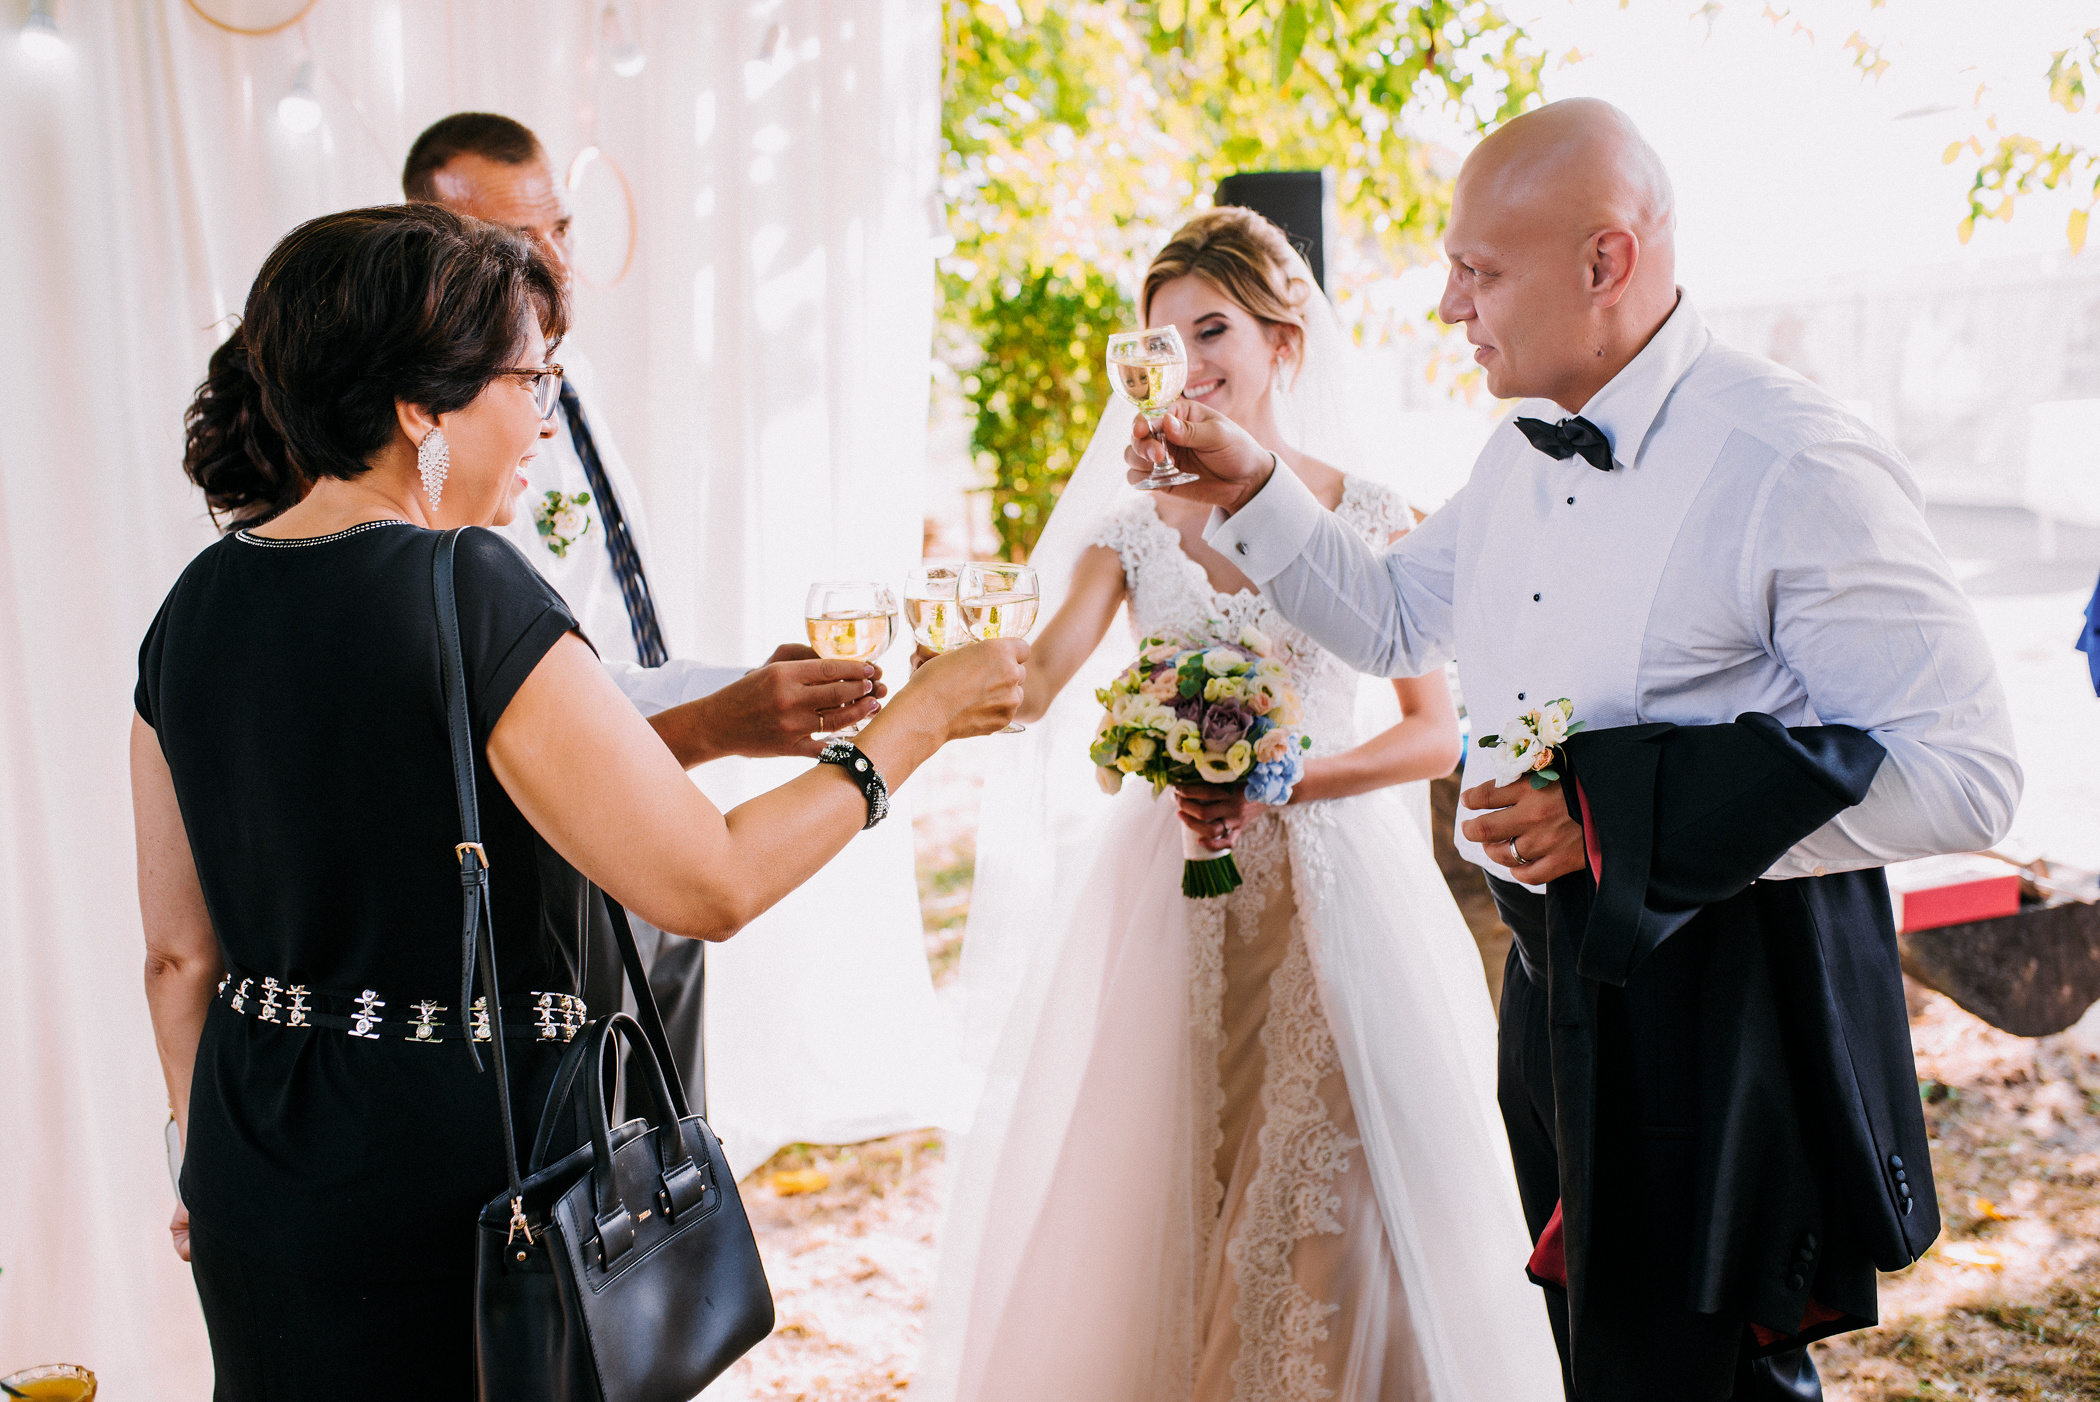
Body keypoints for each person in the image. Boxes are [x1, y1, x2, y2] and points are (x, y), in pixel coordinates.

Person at [1130, 100, 2022, 1401]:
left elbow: (1967, 770)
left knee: (1712, 1373)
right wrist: (1252, 483)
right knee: (1596, 1351)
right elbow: (1391, 619)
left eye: (1479, 271)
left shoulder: (1792, 460)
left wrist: (1619, 816)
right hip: (1548, 984)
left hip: (1714, 997)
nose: (1448, 304)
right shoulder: (1515, 454)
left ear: (1605, 262)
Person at [134, 203, 1025, 1393]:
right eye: (529, 380)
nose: (546, 419)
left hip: (252, 1165)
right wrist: (920, 722)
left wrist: (200, 1151)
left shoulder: (192, 606)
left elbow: (178, 958)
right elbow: (712, 882)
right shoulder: (468, 584)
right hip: (466, 1186)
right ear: (422, 407)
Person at [918, 207, 1565, 1402]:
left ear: (1284, 340)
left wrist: (1281, 782)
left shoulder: (1370, 514)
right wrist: (936, 671)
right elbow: (1038, 684)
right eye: (1162, 340)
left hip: (1333, 901)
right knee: (1169, 1175)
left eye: (1212, 329)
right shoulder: (1130, 529)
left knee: (1331, 1186)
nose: (1188, 361)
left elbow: (1435, 732)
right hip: (1166, 897)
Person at [396, 112, 893, 1101]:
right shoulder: (446, 453)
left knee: (673, 1128)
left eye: (560, 230)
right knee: (594, 1145)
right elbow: (523, 693)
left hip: (654, 802)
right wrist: (727, 719)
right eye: (513, 243)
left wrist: (749, 690)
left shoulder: (565, 385)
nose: (553, 264)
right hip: (559, 841)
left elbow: (604, 638)